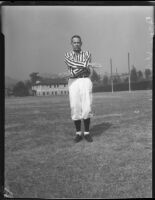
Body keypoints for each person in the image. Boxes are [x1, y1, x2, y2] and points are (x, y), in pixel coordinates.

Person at [64, 35, 93, 143]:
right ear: (71, 43)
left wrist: (72, 71)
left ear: (81, 43)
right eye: (74, 42)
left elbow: (81, 68)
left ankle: (86, 133)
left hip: (85, 80)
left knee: (87, 107)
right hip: (73, 82)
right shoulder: (67, 55)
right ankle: (78, 133)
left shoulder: (87, 53)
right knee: (75, 106)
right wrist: (85, 65)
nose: (76, 44)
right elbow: (72, 63)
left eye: (78, 42)